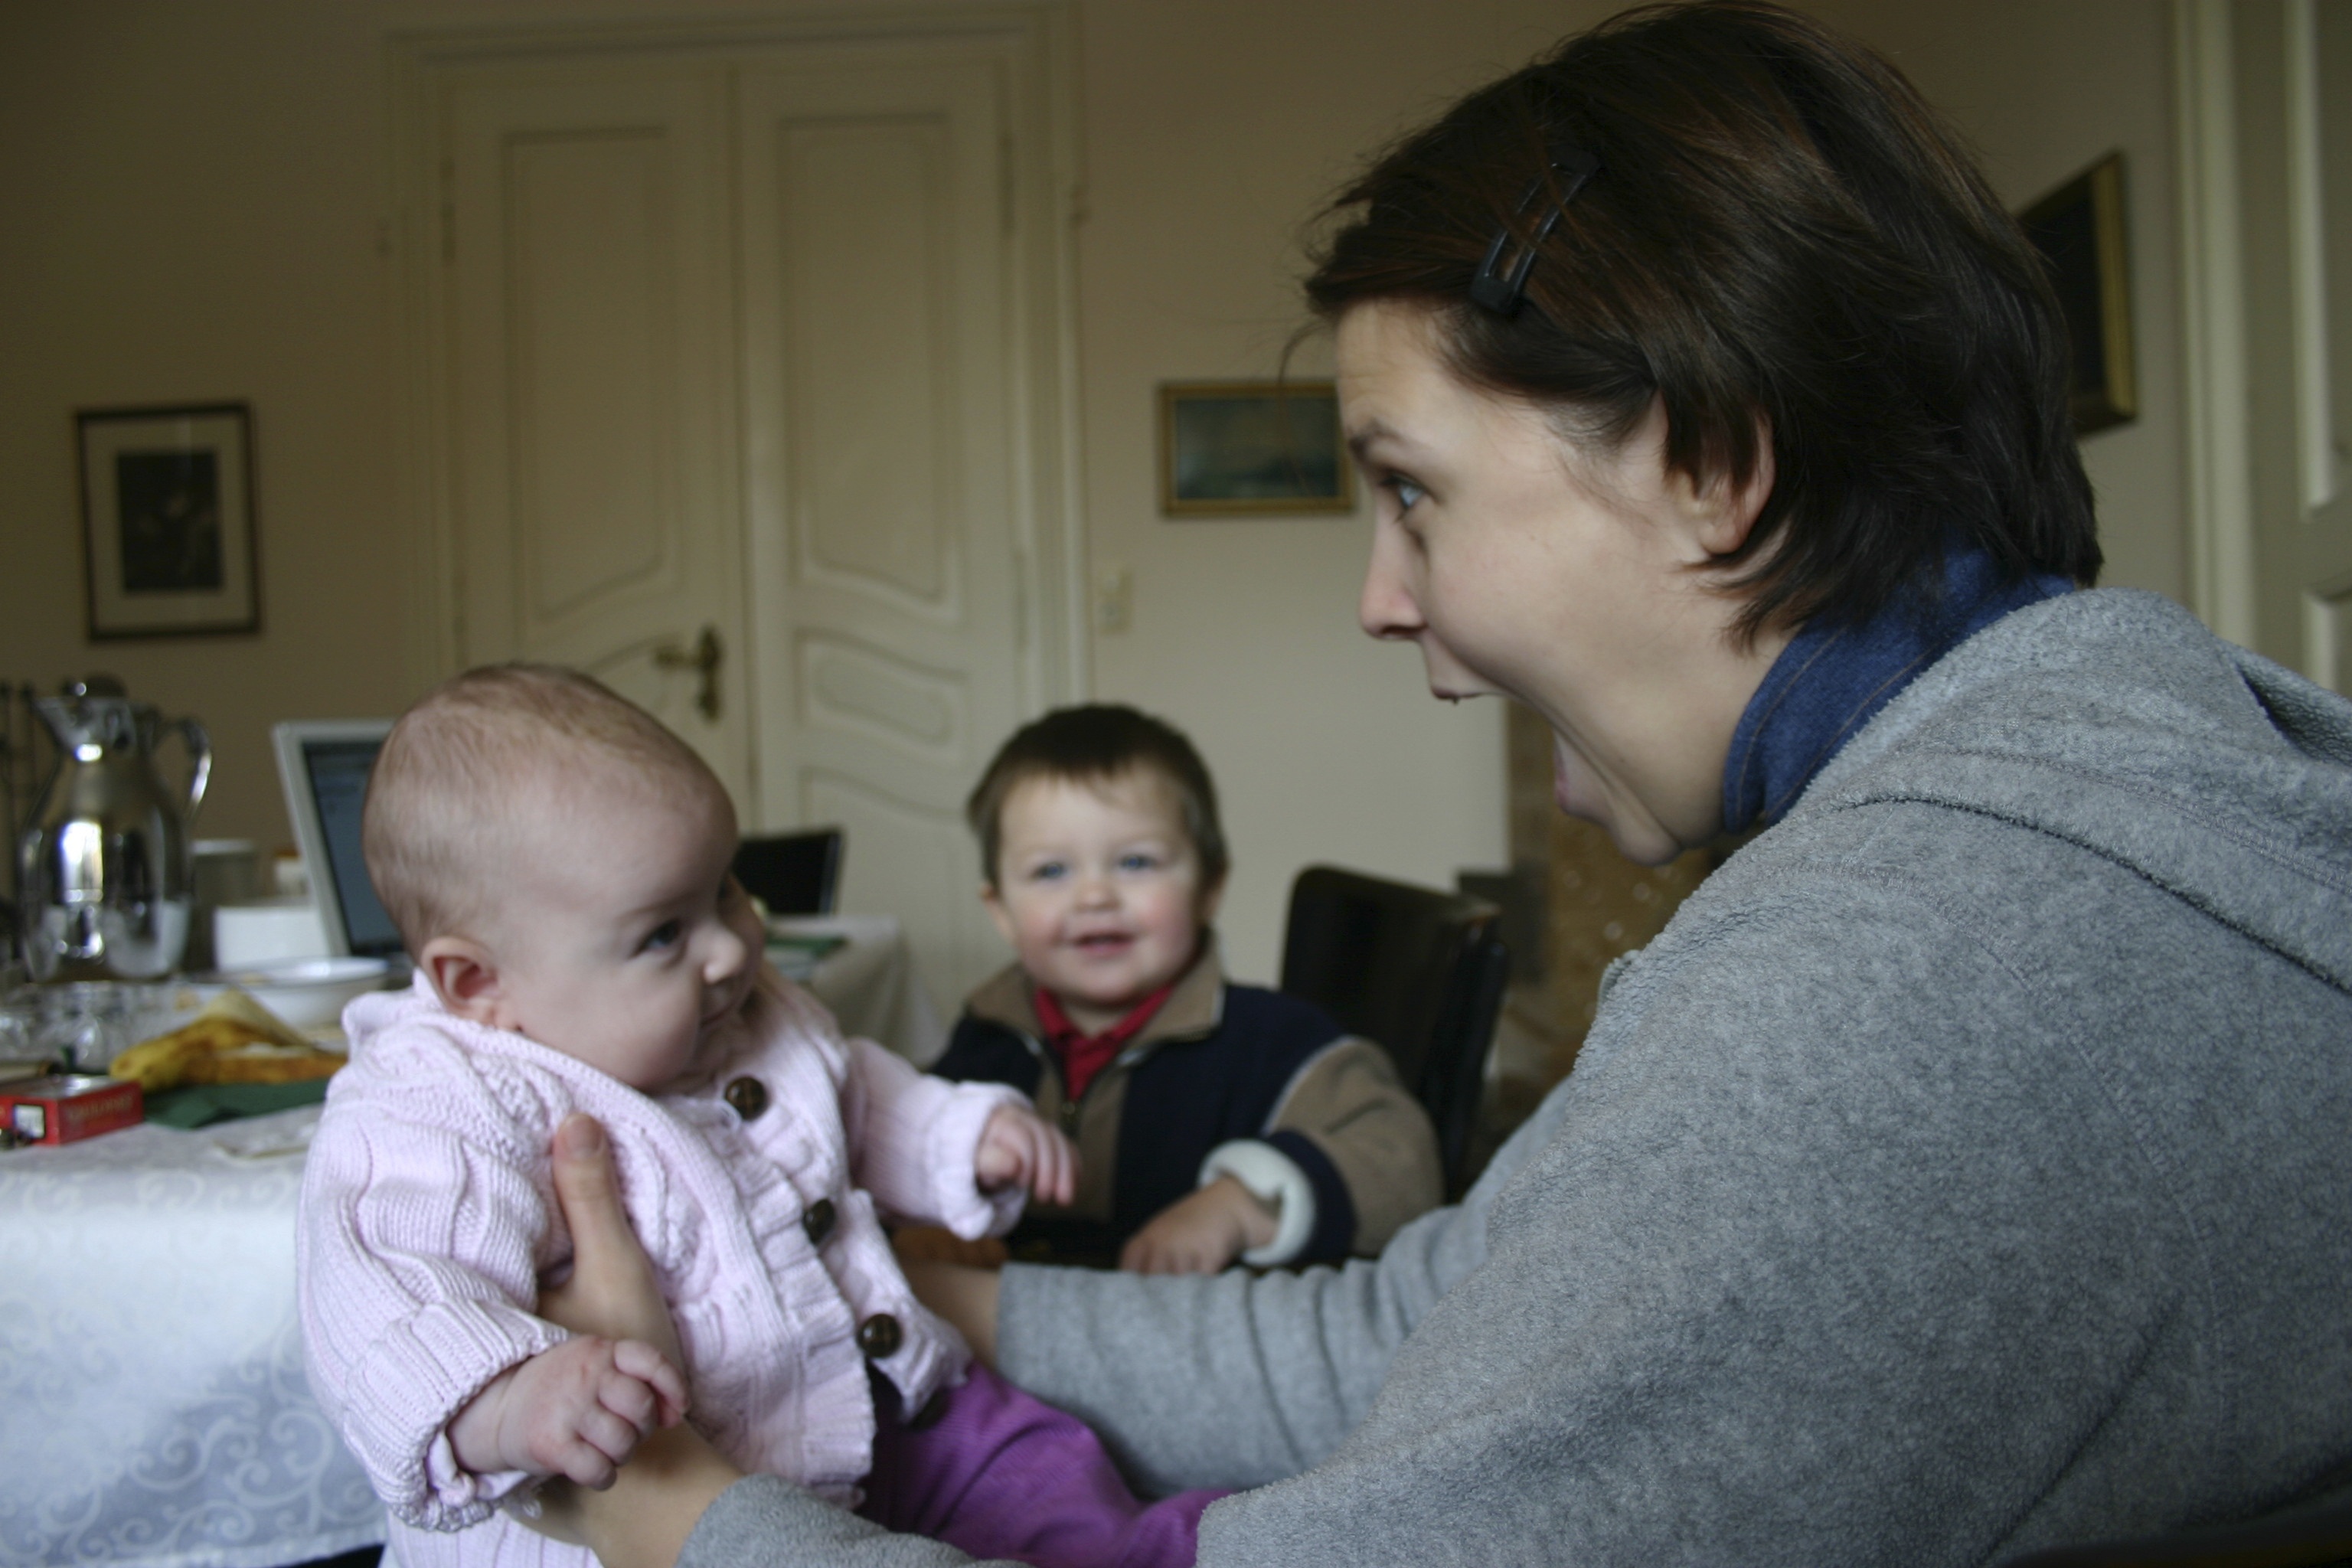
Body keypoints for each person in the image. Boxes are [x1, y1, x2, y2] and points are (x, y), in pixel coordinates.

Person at [509, 3, 2352, 1563]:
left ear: (1713, 464)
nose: (1381, 599)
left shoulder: (1882, 998)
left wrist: (665, 1501)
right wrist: (933, 1300)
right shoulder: (2089, 758)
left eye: (1410, 489)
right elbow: (1435, 1324)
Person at [296, 665, 1223, 1568]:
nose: (731, 948)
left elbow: (848, 1089)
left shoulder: (743, 1004)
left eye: (728, 890)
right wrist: (510, 1399)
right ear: (477, 981)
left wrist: (956, 1133)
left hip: (881, 1401)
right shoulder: (437, 1101)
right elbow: (384, 1291)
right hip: (651, 1505)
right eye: (664, 931)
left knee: (1042, 1461)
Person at [929, 704, 1442, 1273]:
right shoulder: (984, 1041)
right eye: (1051, 871)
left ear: (1209, 887)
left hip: (1194, 1324)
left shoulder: (1274, 1046)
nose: (1094, 897)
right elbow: (902, 1150)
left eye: (1135, 862)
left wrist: (1244, 1203)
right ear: (1000, 910)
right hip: (1007, 1319)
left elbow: (1405, 1164)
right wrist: (927, 1214)